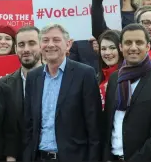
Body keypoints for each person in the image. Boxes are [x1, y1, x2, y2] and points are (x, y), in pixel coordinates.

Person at [24, 24, 102, 162]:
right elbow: (29, 124)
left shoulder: (85, 74)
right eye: (45, 40)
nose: (50, 45)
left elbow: (94, 126)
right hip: (39, 157)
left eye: (56, 40)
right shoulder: (33, 77)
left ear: (68, 44)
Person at [102, 24, 151, 162]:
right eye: (128, 43)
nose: (133, 47)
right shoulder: (114, 78)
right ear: (120, 47)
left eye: (139, 42)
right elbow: (108, 123)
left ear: (148, 46)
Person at [0, 26, 42, 161]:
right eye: (21, 45)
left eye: (32, 43)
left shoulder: (56, 80)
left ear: (41, 45)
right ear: (16, 48)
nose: (26, 49)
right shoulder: (4, 84)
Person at [97, 30, 123, 109]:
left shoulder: (128, 77)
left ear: (121, 48)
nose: (107, 52)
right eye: (103, 49)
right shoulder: (99, 77)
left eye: (112, 48)